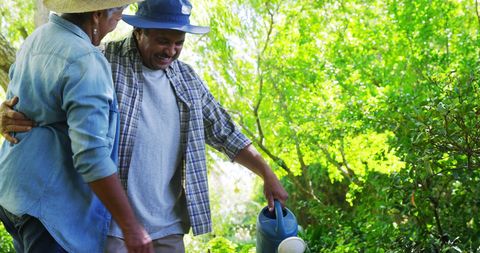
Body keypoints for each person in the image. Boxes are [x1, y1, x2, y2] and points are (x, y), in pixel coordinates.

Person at [0, 0, 289, 252]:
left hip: (168, 227)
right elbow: (48, 96)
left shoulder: (188, 80)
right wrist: (7, 114)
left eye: (179, 43)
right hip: (112, 226)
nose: (172, 51)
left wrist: (267, 173)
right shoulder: (100, 60)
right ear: (139, 31)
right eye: (164, 41)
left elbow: (225, 132)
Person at [0, 0, 154, 252]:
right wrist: (131, 226)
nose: (118, 22)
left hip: (12, 194)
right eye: (118, 13)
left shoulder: (38, 38)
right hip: (48, 210)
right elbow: (91, 155)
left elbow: (14, 103)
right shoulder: (85, 60)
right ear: (96, 14)